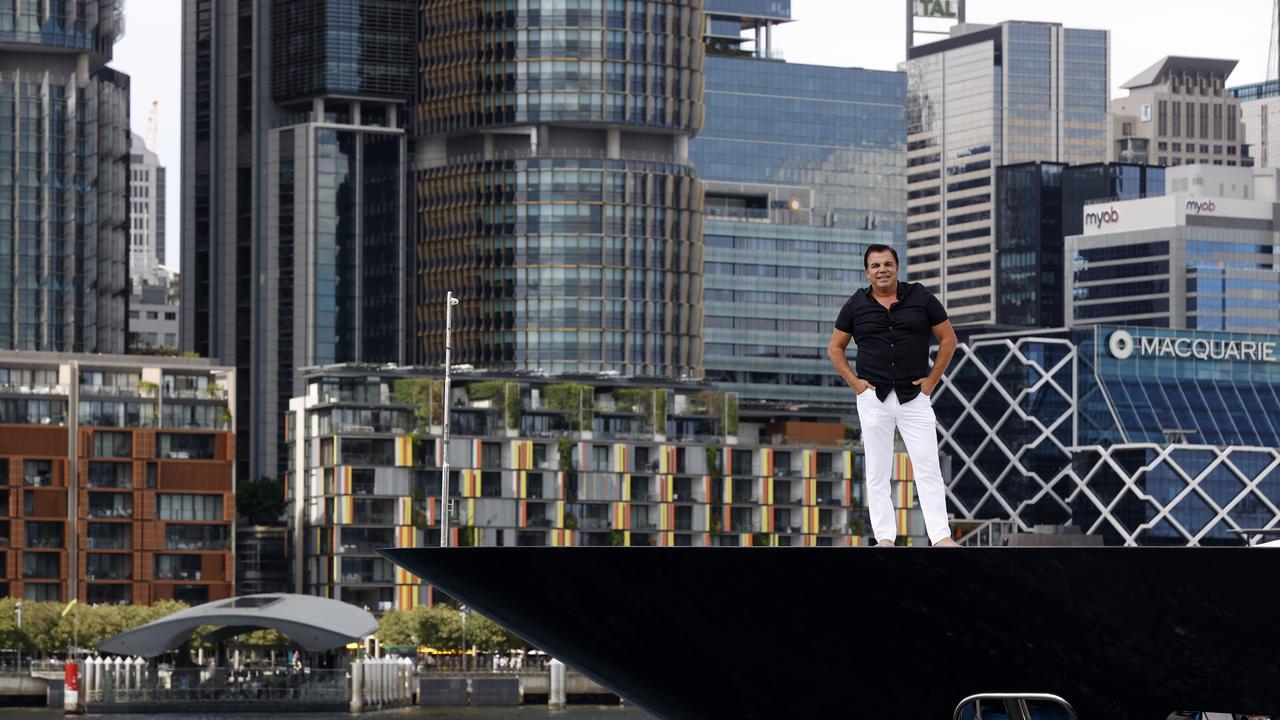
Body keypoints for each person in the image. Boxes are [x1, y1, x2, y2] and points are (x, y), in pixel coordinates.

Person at [827, 244, 959, 547]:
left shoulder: (922, 298)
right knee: (877, 470)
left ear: (897, 267)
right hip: (873, 398)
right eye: (875, 266)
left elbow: (948, 340)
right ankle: (885, 538)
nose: (882, 270)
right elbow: (835, 348)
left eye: (887, 264)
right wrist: (854, 383)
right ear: (867, 272)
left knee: (928, 468)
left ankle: (941, 537)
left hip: (915, 397)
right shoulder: (855, 305)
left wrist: (931, 381)